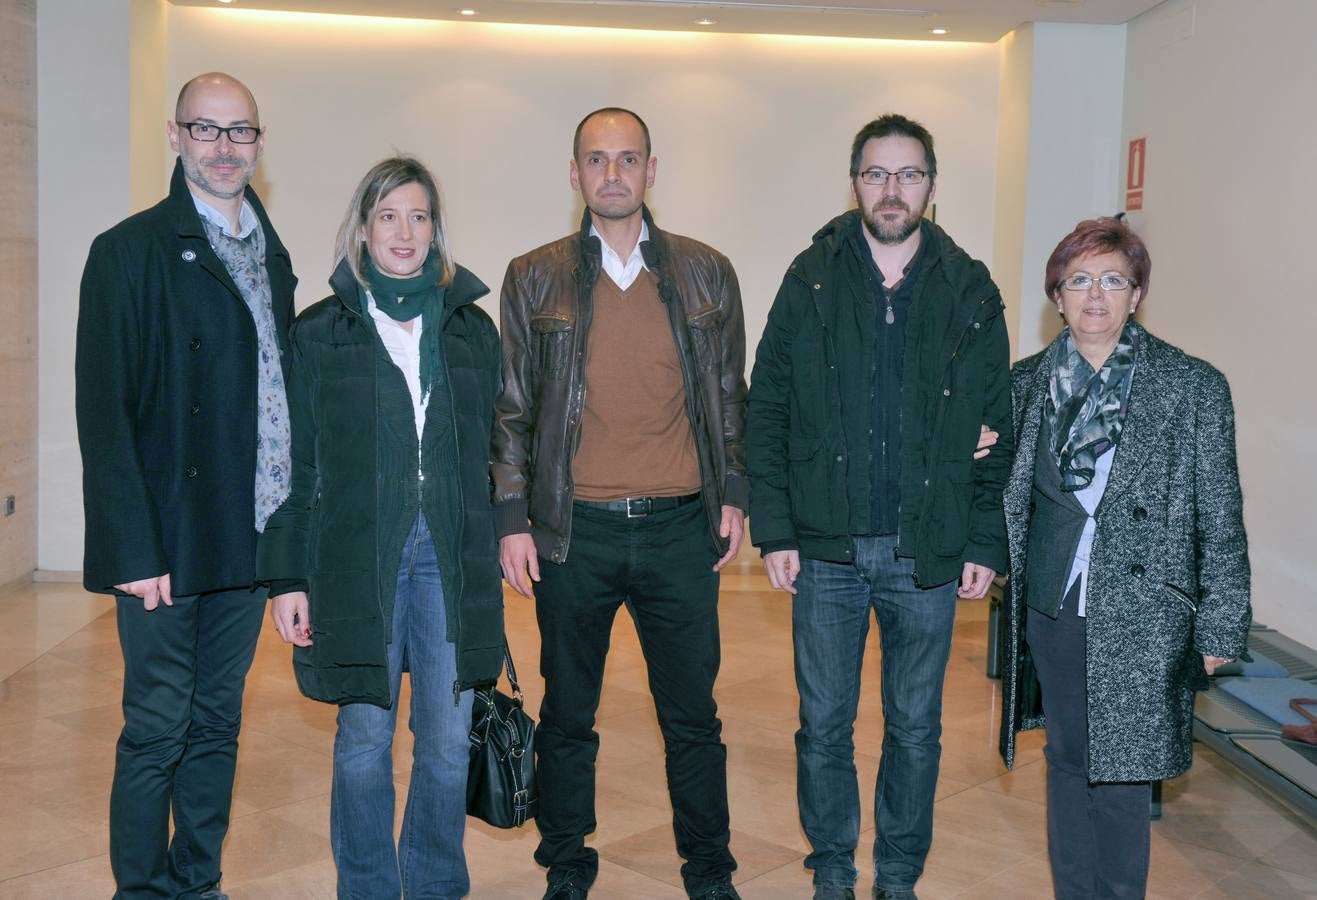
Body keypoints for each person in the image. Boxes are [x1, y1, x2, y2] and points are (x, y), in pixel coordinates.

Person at [746, 114, 1012, 900]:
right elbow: (768, 408)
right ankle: (832, 869)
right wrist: (775, 529)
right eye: (876, 174)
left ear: (931, 185)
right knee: (823, 727)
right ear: (853, 181)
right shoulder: (811, 276)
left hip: (924, 552)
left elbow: (999, 425)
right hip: (825, 551)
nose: (891, 190)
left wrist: (982, 540)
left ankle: (897, 876)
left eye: (908, 175)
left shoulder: (968, 287)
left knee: (916, 728)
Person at [492, 107, 746, 900]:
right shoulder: (533, 275)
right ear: (574, 174)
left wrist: (734, 493)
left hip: (679, 531)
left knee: (693, 719)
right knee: (568, 716)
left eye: (627, 159)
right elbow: (510, 409)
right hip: (574, 535)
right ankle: (566, 865)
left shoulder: (707, 272)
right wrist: (509, 519)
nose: (612, 174)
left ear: (651, 170)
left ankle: (709, 870)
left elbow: (729, 399)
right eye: (596, 160)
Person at [256, 157, 505, 899]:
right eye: (388, 215)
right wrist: (287, 576)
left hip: (451, 559)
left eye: (419, 216)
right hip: (354, 558)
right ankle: (366, 886)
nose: (404, 231)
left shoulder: (470, 328)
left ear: (436, 229)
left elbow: (497, 451)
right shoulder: (321, 331)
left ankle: (432, 883)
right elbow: (295, 465)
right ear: (362, 228)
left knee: (447, 739)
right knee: (363, 740)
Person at [75, 72, 295, 900]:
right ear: (175, 137)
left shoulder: (273, 255)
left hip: (244, 533)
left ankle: (197, 880)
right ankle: (140, 890)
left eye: (240, 131)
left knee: (217, 723)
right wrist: (133, 545)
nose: (224, 147)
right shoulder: (128, 251)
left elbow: (277, 400)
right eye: (206, 129)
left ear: (259, 144)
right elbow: (104, 414)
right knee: (156, 728)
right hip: (165, 539)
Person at [998, 217, 1251, 899]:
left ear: (1136, 294)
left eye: (1112, 280)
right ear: (1056, 296)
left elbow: (1218, 512)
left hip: (1144, 610)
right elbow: (1004, 492)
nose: (1094, 296)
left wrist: (1221, 621)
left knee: (1122, 775)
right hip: (1055, 600)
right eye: (1078, 280)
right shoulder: (1024, 385)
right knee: (1066, 760)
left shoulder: (1191, 386)